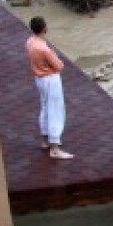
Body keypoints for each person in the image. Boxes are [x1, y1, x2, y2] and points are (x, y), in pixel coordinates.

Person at [25, 16, 73, 159]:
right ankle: (55, 147)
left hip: (39, 79)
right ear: (44, 29)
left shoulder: (30, 42)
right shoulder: (44, 49)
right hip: (50, 79)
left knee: (45, 107)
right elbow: (59, 66)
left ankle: (44, 140)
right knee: (56, 110)